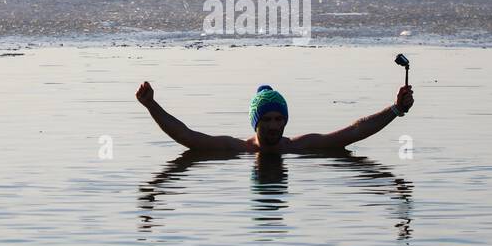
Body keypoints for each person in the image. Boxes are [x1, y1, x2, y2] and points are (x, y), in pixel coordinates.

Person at [135, 80, 414, 154]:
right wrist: (152, 106)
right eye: (266, 120)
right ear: (255, 123)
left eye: (278, 119)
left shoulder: (300, 147)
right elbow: (187, 136)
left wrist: (395, 109)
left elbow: (353, 132)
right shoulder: (237, 149)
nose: (273, 126)